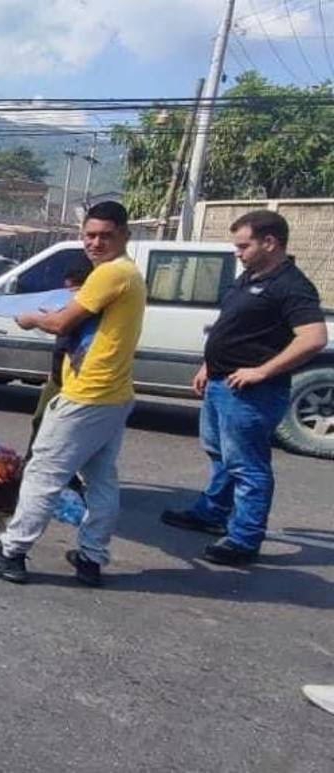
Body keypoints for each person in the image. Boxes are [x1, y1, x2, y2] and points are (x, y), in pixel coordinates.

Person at [0, 201, 146, 587]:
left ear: (125, 236)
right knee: (101, 480)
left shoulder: (111, 273)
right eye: (90, 235)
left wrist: (31, 318)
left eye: (105, 236)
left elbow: (62, 322)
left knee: (42, 474)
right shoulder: (124, 274)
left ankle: (11, 554)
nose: (95, 243)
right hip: (113, 395)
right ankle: (91, 558)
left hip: (88, 394)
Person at [160, 210, 326, 566]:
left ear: (270, 242)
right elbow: (231, 326)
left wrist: (262, 371)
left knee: (248, 467)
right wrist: (208, 365)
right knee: (220, 455)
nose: (238, 252)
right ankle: (211, 514)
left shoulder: (291, 285)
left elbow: (313, 338)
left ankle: (245, 539)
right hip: (221, 383)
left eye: (243, 245)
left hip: (251, 393)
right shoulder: (248, 276)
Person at [25, 264, 92, 465]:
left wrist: (36, 320)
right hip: (57, 376)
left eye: (72, 291)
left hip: (75, 380)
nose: (67, 296)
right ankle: (31, 462)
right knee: (40, 418)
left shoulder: (86, 312)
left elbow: (60, 326)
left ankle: (65, 470)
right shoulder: (68, 307)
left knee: (67, 428)